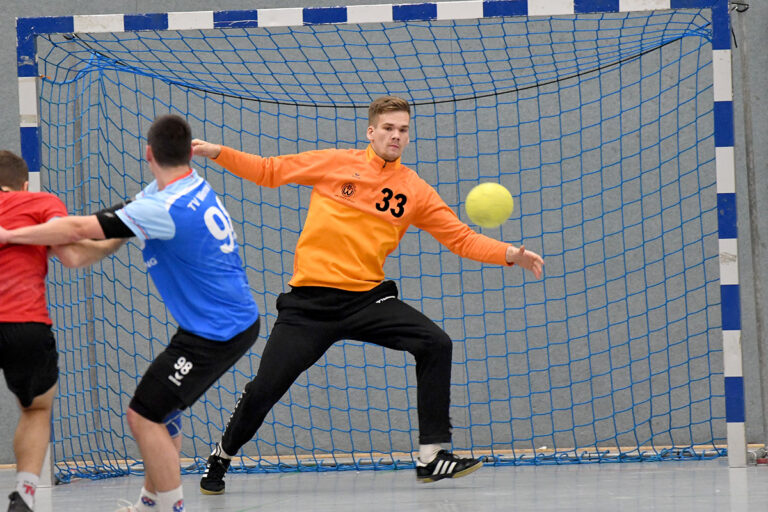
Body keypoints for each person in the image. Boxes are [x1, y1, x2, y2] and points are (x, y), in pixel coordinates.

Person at [190, 95, 544, 493]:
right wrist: (217, 151)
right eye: (389, 128)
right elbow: (270, 171)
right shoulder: (336, 163)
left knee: (435, 342)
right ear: (371, 131)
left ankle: (431, 456)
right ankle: (222, 456)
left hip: (366, 300)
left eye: (403, 130)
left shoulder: (414, 190)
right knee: (265, 389)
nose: (396, 135)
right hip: (308, 306)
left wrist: (509, 254)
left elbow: (460, 238)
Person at [0, 115, 261, 512]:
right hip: (217, 322)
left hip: (217, 332)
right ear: (189, 153)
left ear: (148, 153)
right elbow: (109, 234)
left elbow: (75, 230)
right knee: (162, 413)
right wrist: (67, 250)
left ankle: (171, 507)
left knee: (142, 416)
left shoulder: (162, 205)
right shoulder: (180, 186)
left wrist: (13, 236)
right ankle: (150, 504)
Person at [0, 150, 127, 512]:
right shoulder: (39, 202)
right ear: (24, 184)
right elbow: (73, 255)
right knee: (36, 409)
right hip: (25, 322)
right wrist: (121, 231)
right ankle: (24, 494)